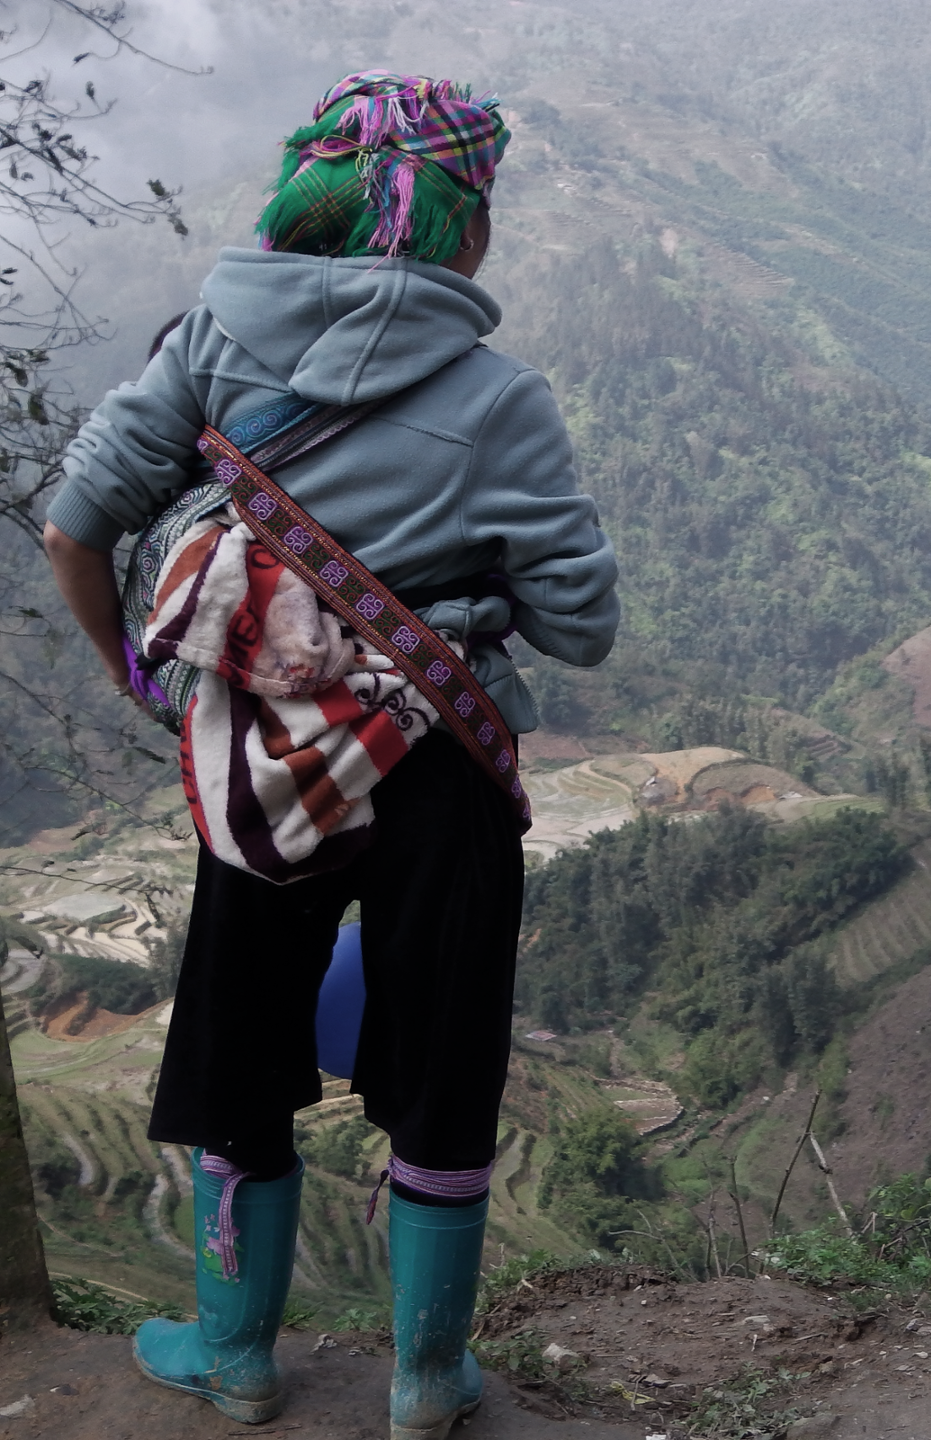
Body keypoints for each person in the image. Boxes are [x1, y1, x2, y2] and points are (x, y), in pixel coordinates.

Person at [41, 71, 619, 1439]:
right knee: (444, 1060)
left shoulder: (208, 344)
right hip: (444, 772)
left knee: (243, 1046)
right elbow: (583, 627)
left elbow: (77, 526)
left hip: (259, 774)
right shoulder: (502, 401)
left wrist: (141, 671)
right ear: (458, 229)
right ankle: (426, 1380)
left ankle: (235, 1356)